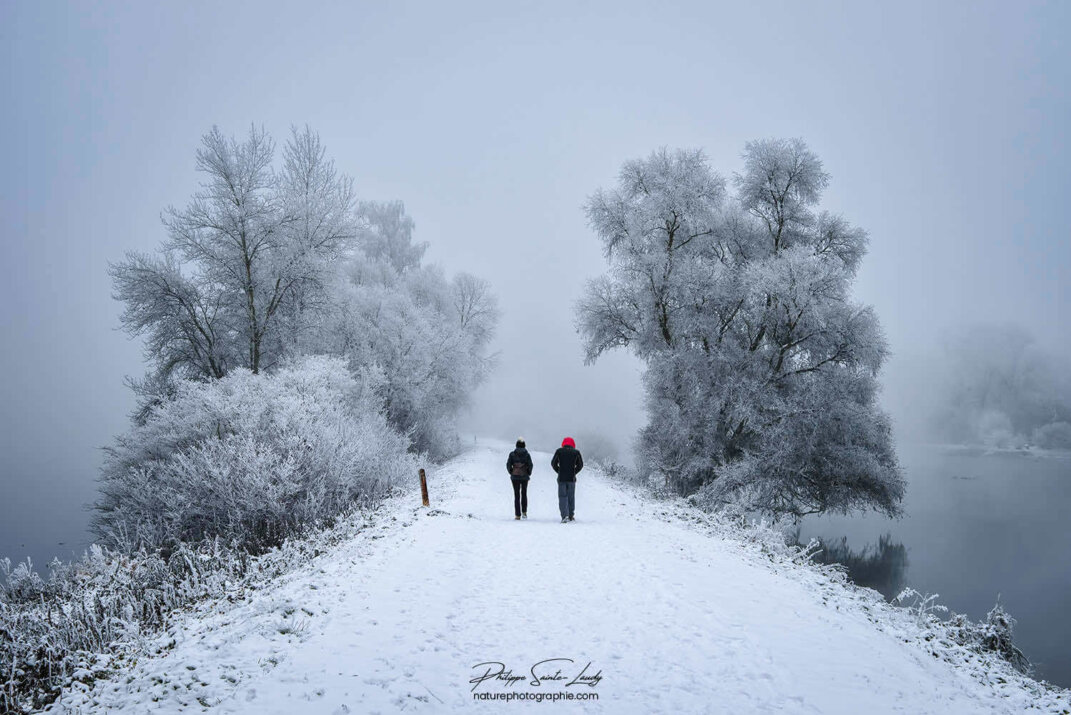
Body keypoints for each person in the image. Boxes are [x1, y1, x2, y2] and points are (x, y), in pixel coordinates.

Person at [551, 437, 583, 523]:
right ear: (573, 444)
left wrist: (559, 471)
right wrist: (574, 472)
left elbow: (553, 463)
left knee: (562, 497)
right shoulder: (576, 452)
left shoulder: (559, 451)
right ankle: (571, 515)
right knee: (571, 496)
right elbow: (580, 465)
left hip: (561, 478)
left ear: (563, 443)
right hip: (571, 478)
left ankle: (564, 516)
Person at [506, 438, 533, 520]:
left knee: (516, 495)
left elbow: (508, 465)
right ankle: (524, 512)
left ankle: (517, 515)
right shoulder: (527, 454)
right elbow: (530, 465)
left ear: (516, 445)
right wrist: (528, 472)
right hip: (524, 476)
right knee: (524, 494)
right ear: (524, 445)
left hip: (515, 477)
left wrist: (512, 472)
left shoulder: (512, 454)